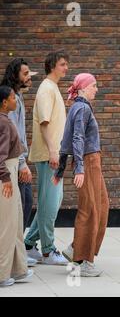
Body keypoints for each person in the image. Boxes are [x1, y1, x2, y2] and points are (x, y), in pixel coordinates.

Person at [53, 73, 109, 277]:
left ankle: (75, 248)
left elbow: (66, 139)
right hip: (88, 161)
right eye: (94, 85)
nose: (97, 89)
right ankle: (84, 261)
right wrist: (79, 169)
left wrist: (61, 169)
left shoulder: (78, 107)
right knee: (91, 210)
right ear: (84, 88)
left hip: (91, 161)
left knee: (102, 205)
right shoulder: (82, 108)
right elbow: (76, 138)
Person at [24, 50, 70, 265]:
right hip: (48, 155)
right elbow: (44, 122)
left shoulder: (52, 88)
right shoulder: (46, 89)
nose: (66, 68)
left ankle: (29, 243)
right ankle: (48, 250)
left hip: (53, 154)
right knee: (50, 203)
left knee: (49, 201)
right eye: (62, 64)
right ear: (52, 66)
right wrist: (53, 152)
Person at [1, 58, 39, 267]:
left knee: (24, 202)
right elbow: (13, 132)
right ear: (15, 75)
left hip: (19, 158)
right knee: (22, 203)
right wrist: (22, 163)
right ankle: (15, 251)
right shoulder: (10, 98)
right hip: (13, 161)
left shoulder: (19, 97)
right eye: (25, 74)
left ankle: (17, 251)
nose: (29, 77)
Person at [0, 85, 34, 287]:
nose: (16, 100)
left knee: (16, 222)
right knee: (6, 226)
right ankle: (2, 273)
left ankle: (18, 268)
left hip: (10, 172)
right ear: (4, 102)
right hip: (6, 176)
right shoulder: (3, 123)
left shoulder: (6, 120)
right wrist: (5, 179)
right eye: (13, 98)